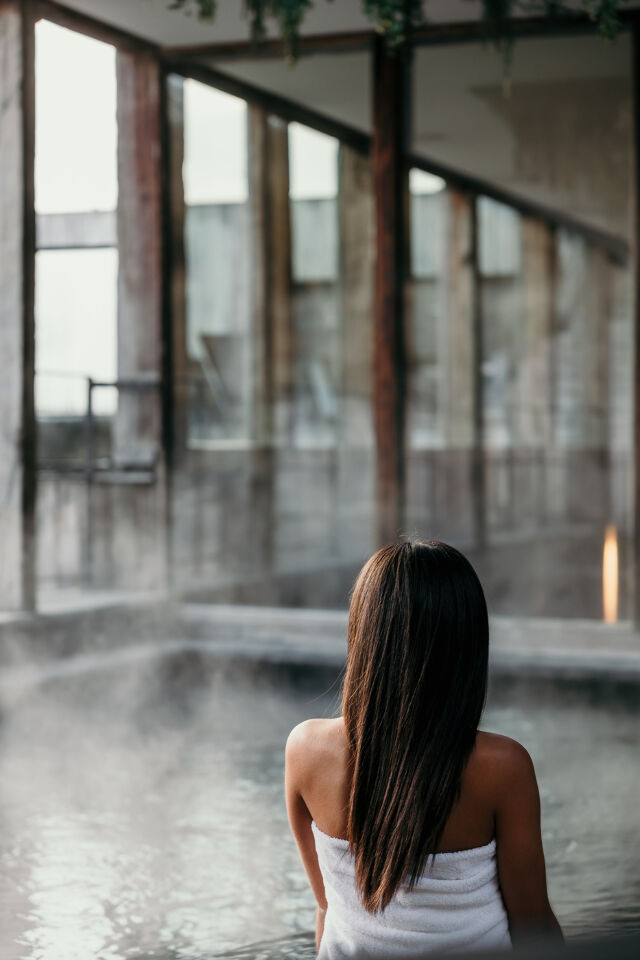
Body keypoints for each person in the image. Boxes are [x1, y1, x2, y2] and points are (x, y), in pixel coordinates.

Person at [285, 539, 563, 958]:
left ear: (362, 635)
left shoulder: (304, 750)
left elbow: (326, 906)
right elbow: (533, 926)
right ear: (466, 646)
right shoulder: (502, 768)